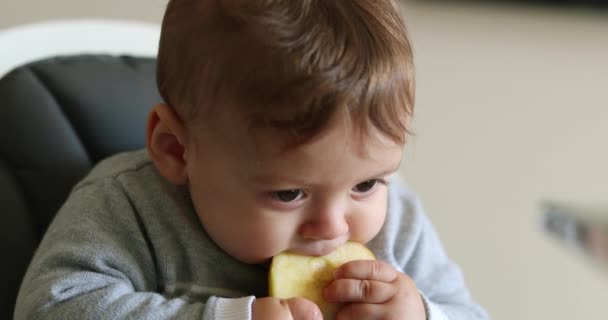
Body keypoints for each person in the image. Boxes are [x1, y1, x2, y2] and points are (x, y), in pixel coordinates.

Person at [14, 0, 490, 319]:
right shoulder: (129, 207)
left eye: (366, 185)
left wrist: (422, 314)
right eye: (289, 193)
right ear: (176, 150)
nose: (332, 227)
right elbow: (50, 307)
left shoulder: (398, 224)